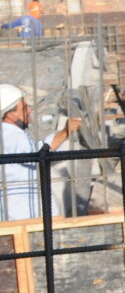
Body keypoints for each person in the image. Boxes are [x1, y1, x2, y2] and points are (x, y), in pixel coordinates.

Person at [0, 83, 80, 220]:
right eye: (24, 108)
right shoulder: (12, 136)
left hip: (21, 212)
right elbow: (39, 154)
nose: (29, 111)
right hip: (25, 214)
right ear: (11, 115)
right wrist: (65, 132)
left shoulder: (10, 135)